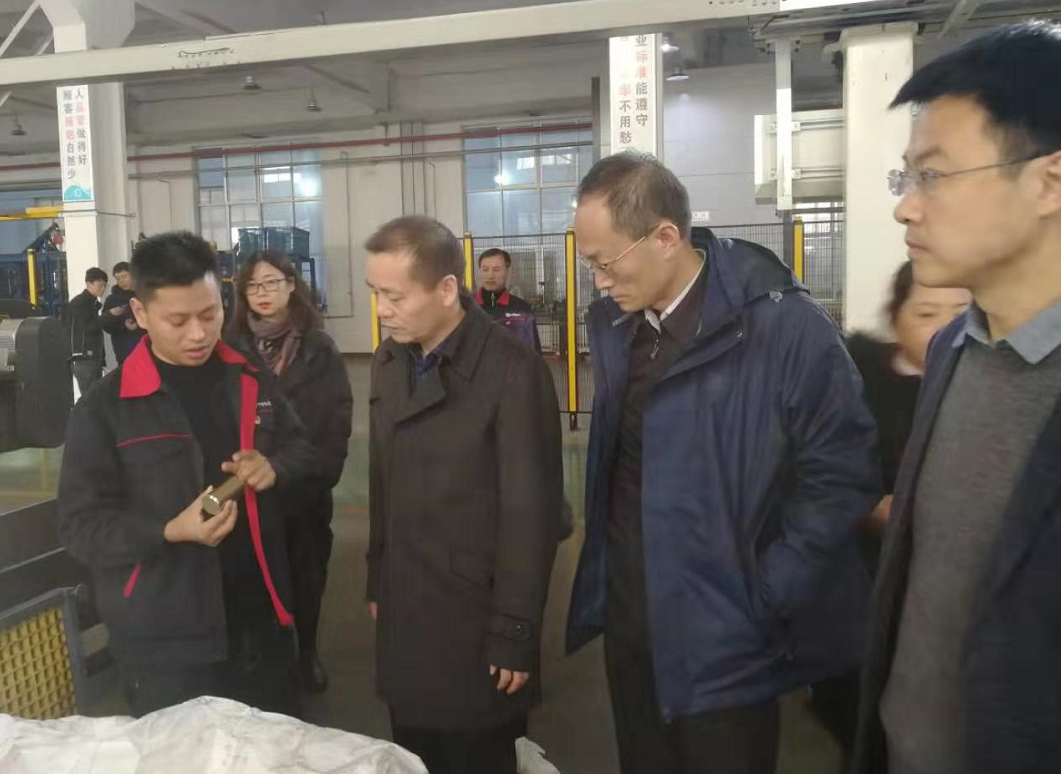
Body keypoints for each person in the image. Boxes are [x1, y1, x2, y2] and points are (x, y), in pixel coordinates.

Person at [566, 153, 881, 774]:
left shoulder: (784, 327)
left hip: (728, 637)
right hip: (632, 622)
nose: (598, 282)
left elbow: (841, 472)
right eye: (589, 265)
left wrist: (765, 593)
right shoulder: (616, 322)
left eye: (605, 262)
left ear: (665, 237)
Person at [853, 22, 1061, 774]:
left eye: (934, 176)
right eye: (905, 179)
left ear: (1048, 181)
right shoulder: (950, 351)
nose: (906, 208)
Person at [56, 231, 317, 719]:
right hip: (166, 646)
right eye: (178, 321)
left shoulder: (248, 376)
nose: (198, 334)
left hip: (261, 622)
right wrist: (168, 530)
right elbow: (80, 527)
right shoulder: (104, 409)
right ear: (140, 314)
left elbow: (302, 449)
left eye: (210, 313)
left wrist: (274, 466)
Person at [365, 216, 563, 774]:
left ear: (447, 288)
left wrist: (515, 631)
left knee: (476, 751)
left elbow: (532, 514)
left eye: (395, 296)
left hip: (474, 615)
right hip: (406, 603)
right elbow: (382, 481)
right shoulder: (389, 362)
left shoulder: (511, 371)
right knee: (413, 752)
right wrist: (378, 575)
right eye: (375, 293)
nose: (381, 310)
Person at [810, 262, 970, 757]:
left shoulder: (984, 386)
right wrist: (875, 508)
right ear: (896, 317)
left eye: (962, 313)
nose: (945, 329)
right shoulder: (856, 379)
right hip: (862, 583)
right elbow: (820, 469)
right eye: (926, 313)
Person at [228, 251, 353, 694]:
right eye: (253, 286)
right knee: (253, 580)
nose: (262, 293)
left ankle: (307, 653)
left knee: (306, 577)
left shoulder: (318, 348)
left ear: (291, 285)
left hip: (303, 489)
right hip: (248, 492)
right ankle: (263, 658)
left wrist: (317, 474)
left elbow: (336, 417)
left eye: (271, 283)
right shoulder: (230, 348)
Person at [476, 248, 542, 352]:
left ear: (508, 272)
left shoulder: (522, 309)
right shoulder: (465, 308)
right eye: (485, 270)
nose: (490, 275)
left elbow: (534, 354)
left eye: (496, 270)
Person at [64, 266, 109, 396]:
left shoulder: (91, 303)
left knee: (95, 396)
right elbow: (87, 327)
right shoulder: (80, 303)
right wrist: (108, 316)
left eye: (105, 285)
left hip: (92, 358)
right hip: (83, 358)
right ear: (89, 284)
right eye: (100, 285)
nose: (103, 289)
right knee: (90, 397)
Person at [101, 261, 145, 365]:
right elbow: (106, 325)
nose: (122, 281)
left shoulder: (144, 296)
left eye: (124, 276)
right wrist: (124, 326)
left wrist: (138, 325)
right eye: (118, 278)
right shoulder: (112, 300)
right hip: (124, 352)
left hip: (146, 349)